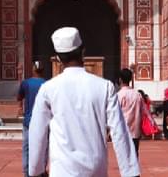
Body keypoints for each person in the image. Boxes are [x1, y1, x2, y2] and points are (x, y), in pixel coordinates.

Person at [27, 27, 140, 177]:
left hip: (63, 169)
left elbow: (37, 133)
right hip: (95, 168)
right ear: (83, 51)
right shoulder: (104, 86)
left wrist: (36, 170)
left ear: (58, 58)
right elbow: (119, 130)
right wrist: (130, 172)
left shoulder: (48, 89)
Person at [17, 61, 47, 176]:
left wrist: (20, 107)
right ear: (43, 70)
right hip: (43, 122)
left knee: (27, 148)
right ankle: (41, 171)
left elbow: (19, 97)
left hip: (29, 120)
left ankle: (27, 172)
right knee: (43, 147)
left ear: (33, 69)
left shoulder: (26, 83)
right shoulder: (47, 83)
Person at [116, 68, 147, 155]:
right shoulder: (137, 94)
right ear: (130, 79)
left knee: (124, 156)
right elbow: (143, 111)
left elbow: (115, 114)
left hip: (122, 130)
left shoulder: (119, 95)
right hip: (135, 130)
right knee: (134, 154)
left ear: (120, 80)